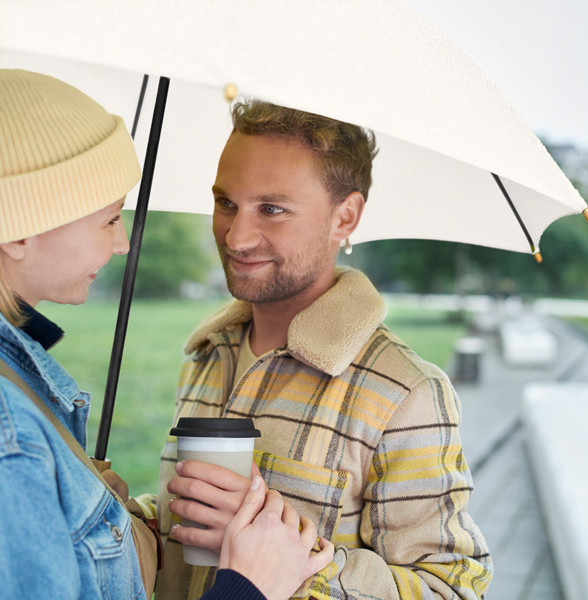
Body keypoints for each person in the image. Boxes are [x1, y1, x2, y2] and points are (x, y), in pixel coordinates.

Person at [0, 70, 333, 600]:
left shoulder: (17, 383)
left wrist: (93, 514)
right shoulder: (10, 436)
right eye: (109, 219)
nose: (123, 243)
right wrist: (248, 587)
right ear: (19, 230)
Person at [155, 100, 494, 599]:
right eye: (226, 202)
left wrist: (298, 561)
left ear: (346, 217)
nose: (236, 235)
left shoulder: (408, 394)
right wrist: (127, 518)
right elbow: (178, 544)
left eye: (272, 209)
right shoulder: (209, 353)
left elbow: (453, 590)